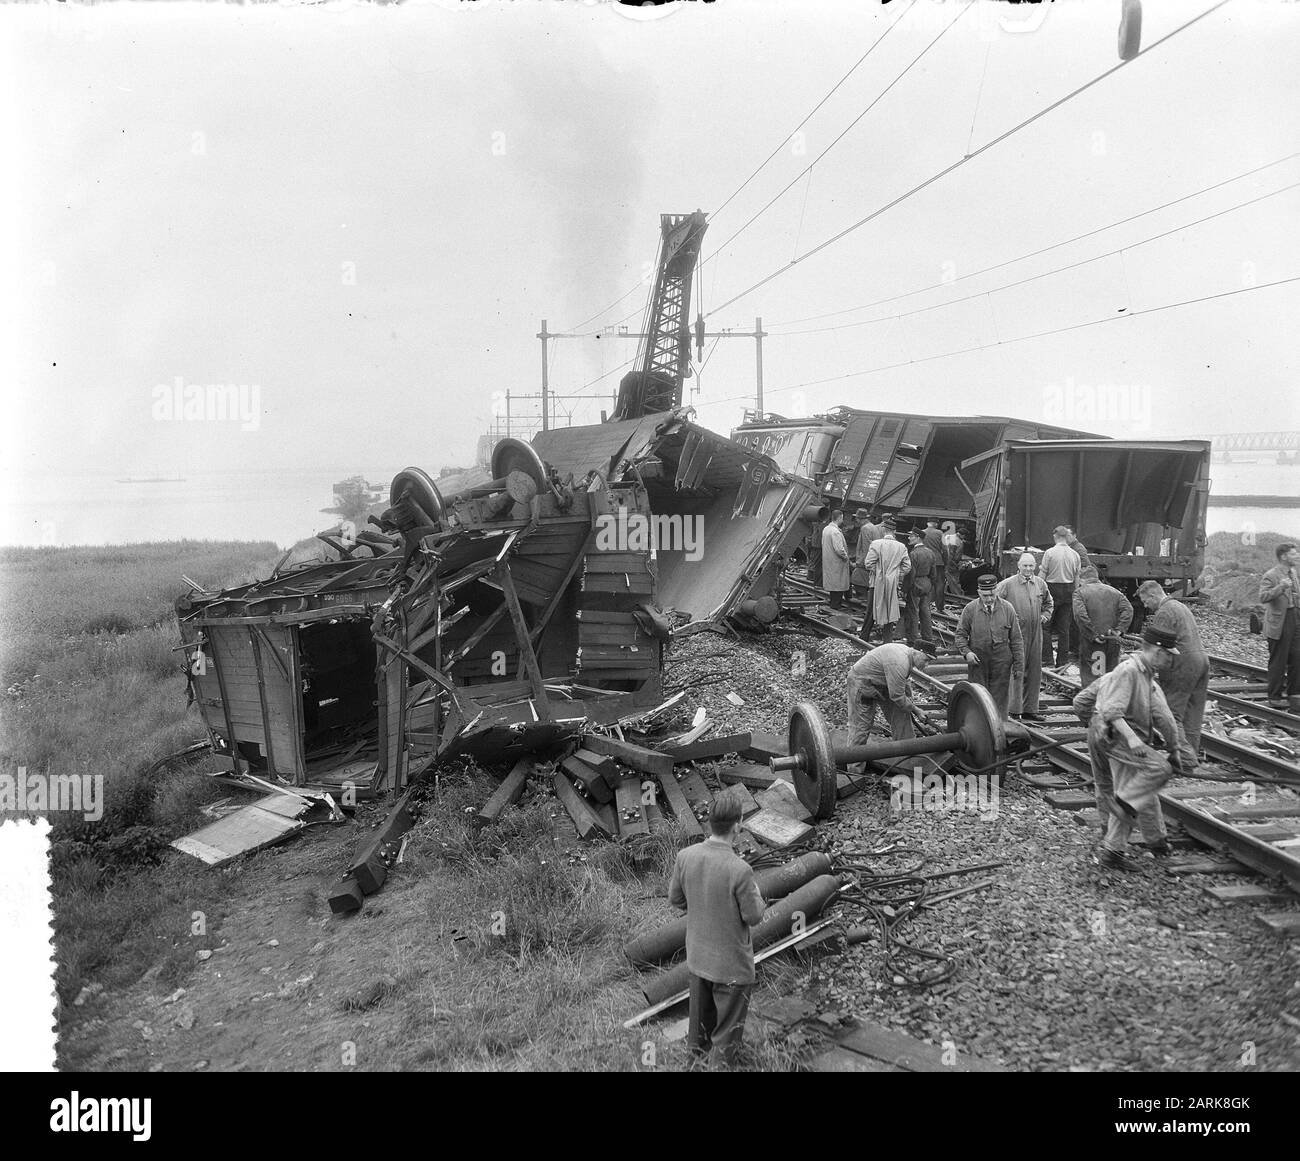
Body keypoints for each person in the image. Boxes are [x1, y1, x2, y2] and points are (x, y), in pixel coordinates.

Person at [1071, 625, 1185, 871]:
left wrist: (1092, 724)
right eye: (1169, 655)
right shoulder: (1130, 672)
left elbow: (1081, 702)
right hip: (1118, 739)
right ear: (1156, 651)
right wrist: (1140, 741)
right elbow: (1155, 716)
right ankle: (1113, 850)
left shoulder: (1135, 674)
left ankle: (1155, 840)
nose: (1172, 659)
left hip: (1100, 734)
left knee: (1123, 788)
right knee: (1131, 793)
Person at [668, 788, 766, 1068]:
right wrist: (757, 894)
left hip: (698, 961)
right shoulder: (741, 870)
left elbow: (676, 899)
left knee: (698, 1035)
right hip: (732, 969)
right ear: (738, 825)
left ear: (710, 823)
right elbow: (754, 916)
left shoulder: (685, 856)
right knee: (725, 1039)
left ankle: (694, 1065)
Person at [1137, 580, 1209, 774]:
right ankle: (1190, 755)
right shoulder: (1179, 606)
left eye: (1145, 601)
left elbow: (1158, 648)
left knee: (1171, 713)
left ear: (1153, 596)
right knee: (1193, 713)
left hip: (1182, 664)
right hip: (1201, 660)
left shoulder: (1164, 612)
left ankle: (1185, 758)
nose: (1145, 606)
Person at [845, 643, 929, 774]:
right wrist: (916, 710)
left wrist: (910, 701)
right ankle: (854, 772)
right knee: (861, 727)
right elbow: (897, 695)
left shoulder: (907, 658)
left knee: (902, 716)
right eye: (926, 660)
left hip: (882, 683)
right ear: (917, 652)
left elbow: (902, 683)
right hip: (862, 684)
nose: (927, 665)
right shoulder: (899, 662)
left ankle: (907, 759)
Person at [955, 574, 1024, 719]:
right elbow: (960, 635)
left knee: (999, 699)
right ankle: (981, 730)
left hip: (1002, 662)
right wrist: (967, 653)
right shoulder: (970, 609)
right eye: (985, 595)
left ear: (996, 591)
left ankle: (998, 729)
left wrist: (1018, 665)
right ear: (979, 592)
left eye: (992, 595)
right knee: (978, 698)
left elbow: (1017, 639)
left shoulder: (1007, 608)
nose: (989, 599)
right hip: (978, 662)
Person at [996, 553, 1053, 720]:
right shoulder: (1007, 584)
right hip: (1015, 634)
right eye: (1025, 565)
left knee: (1035, 670)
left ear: (1035, 566)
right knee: (1017, 670)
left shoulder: (1040, 584)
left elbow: (1049, 603)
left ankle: (1030, 710)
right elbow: (994, 603)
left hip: (1036, 633)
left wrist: (1045, 615)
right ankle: (1013, 710)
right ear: (1018, 566)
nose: (1028, 569)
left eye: (1031, 566)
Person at [1072, 565, 1133, 687]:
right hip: (1112, 640)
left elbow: (1080, 615)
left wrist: (1093, 634)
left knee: (1093, 679)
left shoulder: (1080, 593)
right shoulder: (1115, 592)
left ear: (1081, 579)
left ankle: (1093, 704)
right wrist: (1119, 630)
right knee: (1111, 676)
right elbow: (1128, 610)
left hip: (1093, 643)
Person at [1260, 542, 1300, 709]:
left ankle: (1294, 694)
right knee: (1279, 660)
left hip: (1295, 618)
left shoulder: (1293, 572)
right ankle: (1274, 697)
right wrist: (1281, 587)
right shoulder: (1271, 575)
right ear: (1284, 556)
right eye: (1293, 553)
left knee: (1297, 658)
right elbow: (1263, 597)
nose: (1297, 556)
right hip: (1279, 622)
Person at [862, 520, 910, 642]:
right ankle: (887, 639)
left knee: (871, 610)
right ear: (894, 532)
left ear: (883, 530)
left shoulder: (876, 544)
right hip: (892, 584)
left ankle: (864, 637)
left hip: (876, 583)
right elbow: (907, 567)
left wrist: (879, 573)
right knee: (890, 610)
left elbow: (868, 564)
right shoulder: (901, 546)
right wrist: (896, 575)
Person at [1041, 526, 1082, 667]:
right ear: (1067, 537)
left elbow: (1043, 574)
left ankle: (1047, 660)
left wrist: (1038, 592)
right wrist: (1075, 593)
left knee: (1045, 626)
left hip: (1051, 589)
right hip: (1069, 590)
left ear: (1055, 536)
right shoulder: (1075, 554)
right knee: (1064, 628)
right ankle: (1062, 661)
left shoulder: (1049, 553)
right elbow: (1077, 577)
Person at [902, 529, 938, 649]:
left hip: (916, 584)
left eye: (911, 536)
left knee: (913, 611)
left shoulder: (913, 554)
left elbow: (911, 574)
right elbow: (934, 573)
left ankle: (913, 639)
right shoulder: (930, 552)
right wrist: (930, 584)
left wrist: (905, 588)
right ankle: (928, 637)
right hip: (926, 584)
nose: (909, 538)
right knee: (926, 612)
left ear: (918, 538)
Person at [820, 509, 851, 609]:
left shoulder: (826, 529)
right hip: (837, 562)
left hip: (829, 560)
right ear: (840, 517)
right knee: (838, 584)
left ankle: (833, 603)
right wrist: (846, 558)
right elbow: (839, 549)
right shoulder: (835, 532)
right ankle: (836, 605)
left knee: (833, 584)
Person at [941, 524, 965, 613]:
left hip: (944, 562)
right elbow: (957, 556)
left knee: (943, 581)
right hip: (951, 565)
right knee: (955, 582)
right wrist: (956, 564)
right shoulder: (959, 542)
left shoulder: (949, 537)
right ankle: (959, 600)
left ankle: (943, 598)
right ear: (962, 535)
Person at [806, 506, 828, 588]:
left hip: (814, 543)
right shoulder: (823, 521)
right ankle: (816, 582)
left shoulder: (815, 520)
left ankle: (811, 577)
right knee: (818, 564)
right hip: (819, 545)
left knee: (813, 560)